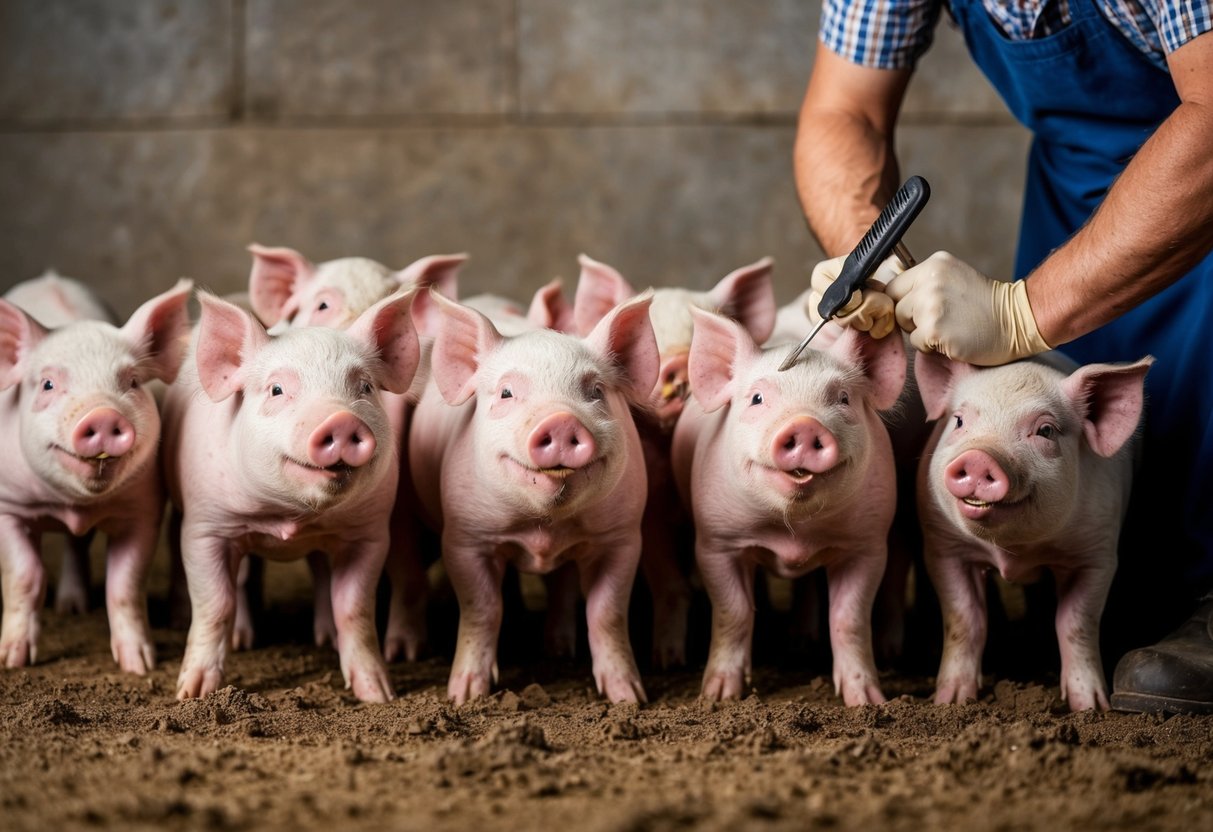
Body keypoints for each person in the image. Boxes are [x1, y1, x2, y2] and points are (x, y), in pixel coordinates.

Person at [794, 0, 1213, 713]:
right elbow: (845, 112)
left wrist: (1023, 311)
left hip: (1198, 161)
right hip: (1080, 192)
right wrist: (868, 255)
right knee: (1091, 485)